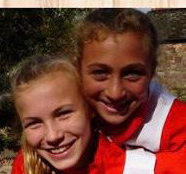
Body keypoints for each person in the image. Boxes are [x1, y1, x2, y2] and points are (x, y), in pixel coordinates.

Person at [6, 55, 183, 174]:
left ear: (89, 109)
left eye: (63, 114)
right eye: (34, 123)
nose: (53, 136)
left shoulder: (132, 163)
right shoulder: (28, 167)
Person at [75, 9, 186, 154]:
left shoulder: (178, 126)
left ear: (151, 71)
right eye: (100, 73)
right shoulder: (60, 117)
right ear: (77, 68)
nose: (115, 93)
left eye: (132, 74)